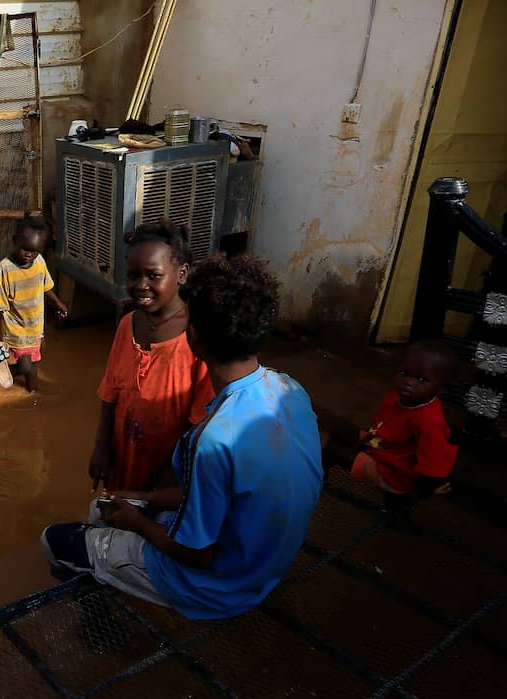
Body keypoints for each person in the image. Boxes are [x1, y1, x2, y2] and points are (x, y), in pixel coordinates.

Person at [42, 255, 323, 620]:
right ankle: (111, 560)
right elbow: (227, 489)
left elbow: (198, 553)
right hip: (266, 561)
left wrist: (138, 522)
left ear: (194, 339)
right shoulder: (289, 389)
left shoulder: (213, 438)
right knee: (104, 507)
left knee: (54, 540)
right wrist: (145, 497)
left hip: (220, 585)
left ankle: (97, 619)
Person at [88, 219, 213, 494]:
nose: (141, 285)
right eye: (133, 275)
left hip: (168, 470)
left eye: (153, 276)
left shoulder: (196, 337)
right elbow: (110, 394)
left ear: (181, 274)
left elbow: (201, 419)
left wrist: (174, 469)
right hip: (123, 456)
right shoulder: (127, 325)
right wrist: (101, 446)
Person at [351, 340, 458, 517]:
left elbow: (434, 460)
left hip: (399, 471)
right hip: (384, 446)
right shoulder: (398, 395)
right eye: (404, 373)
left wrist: (425, 490)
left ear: (442, 387)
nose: (408, 383)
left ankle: (397, 511)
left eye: (422, 379)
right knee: (341, 433)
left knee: (341, 452)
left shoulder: (428, 420)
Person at [0, 214, 69, 393]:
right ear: (15, 241)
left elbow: (45, 286)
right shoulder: (5, 268)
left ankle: (33, 394)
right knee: (25, 366)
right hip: (16, 328)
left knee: (34, 365)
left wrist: (57, 303)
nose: (29, 255)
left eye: (35, 251)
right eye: (24, 249)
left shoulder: (39, 262)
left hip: (36, 326)